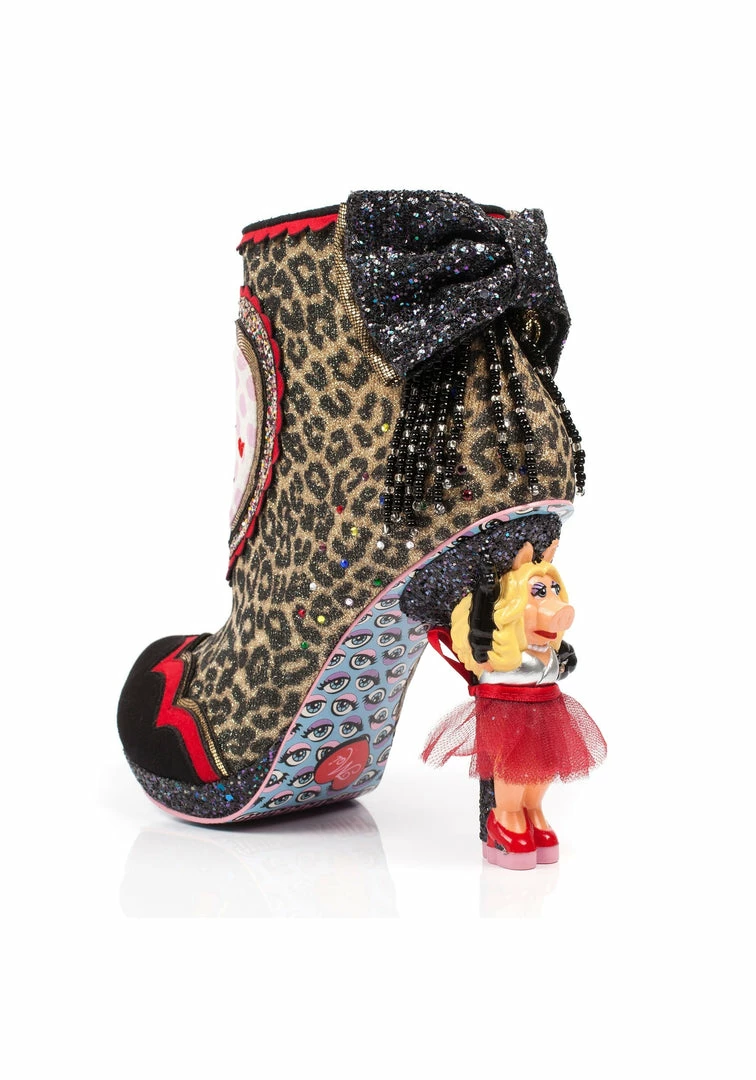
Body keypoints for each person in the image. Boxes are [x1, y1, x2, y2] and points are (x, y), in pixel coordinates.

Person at [422, 540, 606, 870]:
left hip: (547, 709)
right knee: (513, 768)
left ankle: (532, 810)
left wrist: (564, 659)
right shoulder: (494, 647)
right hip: (509, 712)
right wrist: (485, 592)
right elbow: (481, 629)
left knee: (544, 767)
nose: (552, 601)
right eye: (539, 592)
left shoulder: (546, 647)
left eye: (553, 590)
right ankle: (505, 815)